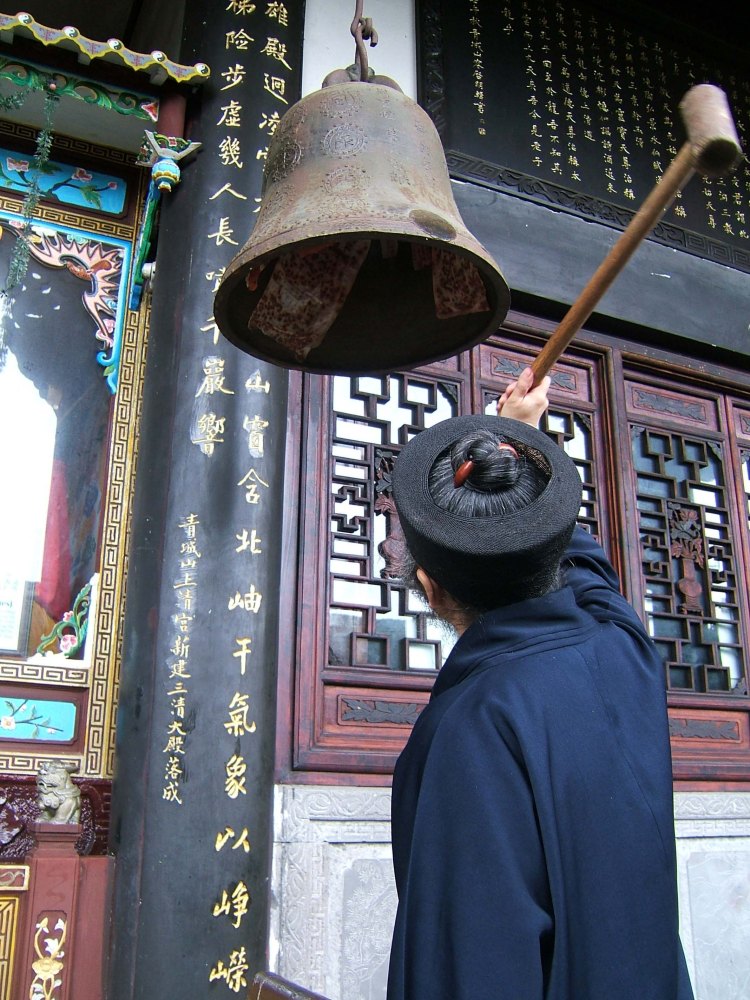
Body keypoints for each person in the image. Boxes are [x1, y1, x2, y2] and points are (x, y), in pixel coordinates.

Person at [386, 367, 693, 1000]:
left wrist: (514, 434)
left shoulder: (469, 727)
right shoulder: (623, 646)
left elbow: (470, 970)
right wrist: (519, 442)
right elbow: (579, 562)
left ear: (431, 590)